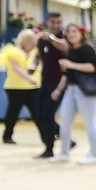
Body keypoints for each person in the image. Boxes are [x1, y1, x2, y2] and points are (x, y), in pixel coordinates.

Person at [49, 24, 96, 164]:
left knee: (89, 121)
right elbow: (66, 74)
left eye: (74, 31)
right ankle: (64, 153)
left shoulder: (87, 49)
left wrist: (71, 64)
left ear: (81, 33)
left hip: (86, 90)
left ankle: (94, 154)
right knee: (65, 121)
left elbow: (93, 67)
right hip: (71, 89)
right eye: (69, 32)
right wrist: (59, 89)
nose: (71, 34)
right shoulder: (70, 50)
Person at [35, 12, 69, 159]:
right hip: (45, 81)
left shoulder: (64, 37)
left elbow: (65, 48)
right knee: (41, 114)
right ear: (47, 22)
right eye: (53, 22)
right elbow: (39, 55)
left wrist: (52, 38)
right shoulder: (42, 40)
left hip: (60, 83)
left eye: (59, 22)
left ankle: (49, 149)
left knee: (48, 115)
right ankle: (66, 139)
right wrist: (33, 65)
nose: (56, 25)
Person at [0, 30, 41, 144]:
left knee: (38, 113)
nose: (33, 46)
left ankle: (46, 136)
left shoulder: (33, 54)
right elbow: (17, 69)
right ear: (25, 42)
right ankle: (7, 135)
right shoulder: (14, 52)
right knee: (13, 112)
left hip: (32, 88)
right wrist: (29, 78)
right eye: (32, 43)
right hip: (16, 87)